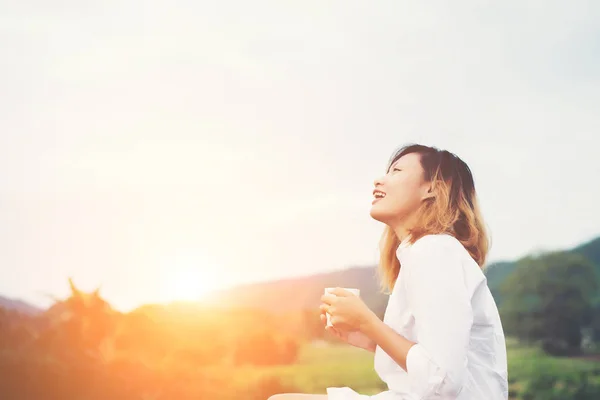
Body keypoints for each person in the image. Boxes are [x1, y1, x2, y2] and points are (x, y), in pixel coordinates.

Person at [268, 144, 509, 400]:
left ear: (432, 188)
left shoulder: (434, 250)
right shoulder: (425, 253)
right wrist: (370, 339)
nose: (379, 180)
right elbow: (434, 363)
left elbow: (444, 382)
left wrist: (367, 322)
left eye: (396, 171)